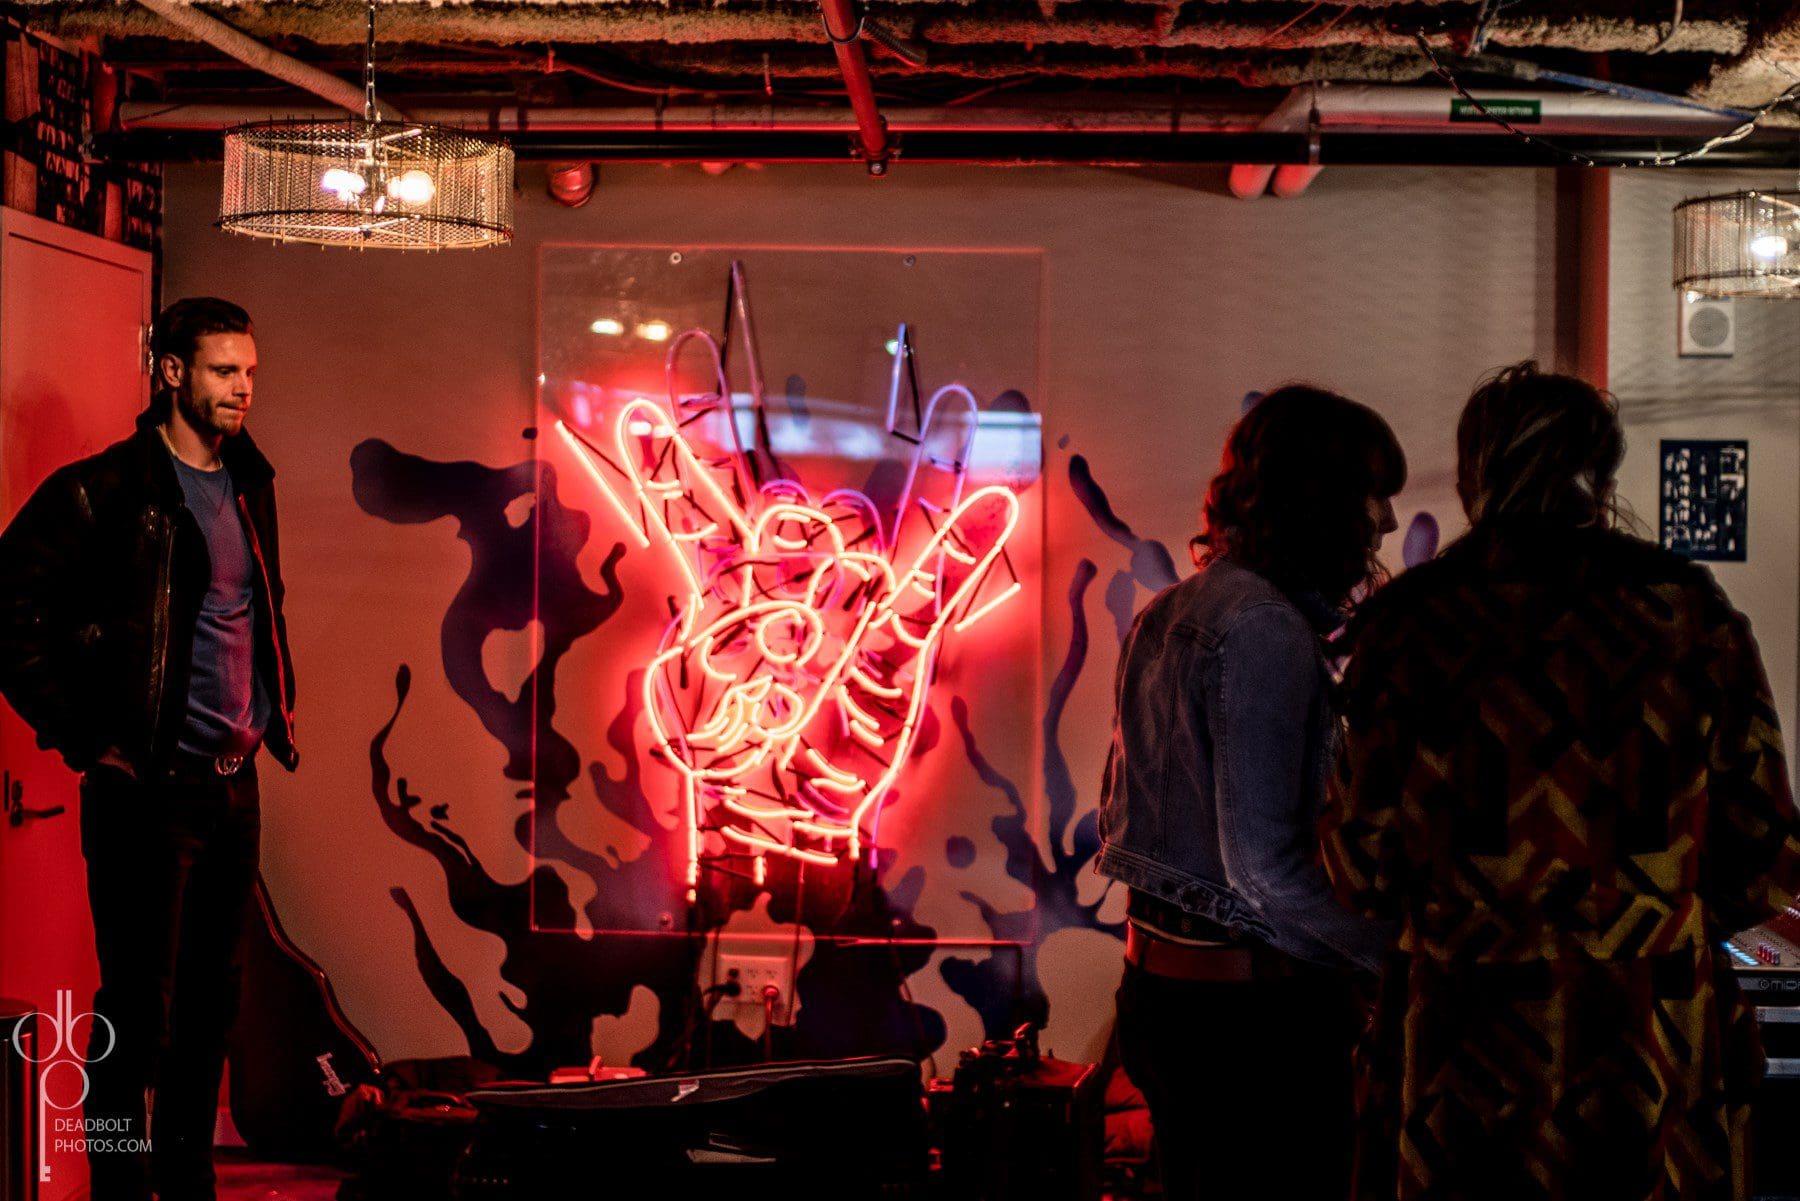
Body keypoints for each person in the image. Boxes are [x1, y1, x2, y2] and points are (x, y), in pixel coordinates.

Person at [1322, 361, 1800, 1201]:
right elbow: (1765, 858)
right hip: (1649, 1044)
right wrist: (1644, 918)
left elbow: (1361, 870)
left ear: (1474, 477)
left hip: (1461, 1050)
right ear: (1603, 478)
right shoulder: (1689, 617)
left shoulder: (1406, 627)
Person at [0, 297, 297, 1201]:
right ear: (171, 372)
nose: (242, 388)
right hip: (146, 789)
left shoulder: (250, 481)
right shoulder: (106, 490)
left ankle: (188, 1180)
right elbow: (8, 611)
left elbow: (250, 616)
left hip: (234, 785)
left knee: (213, 1008)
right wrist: (87, 736)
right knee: (136, 1015)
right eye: (222, 370)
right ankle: (119, 1189)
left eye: (249, 371)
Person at [1096, 385, 1405, 1200]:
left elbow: (1118, 816)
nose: (1384, 521)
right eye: (1373, 494)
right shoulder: (1266, 627)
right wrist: (1399, 954)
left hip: (1163, 997)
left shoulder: (1170, 610)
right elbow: (1267, 869)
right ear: (1321, 499)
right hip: (1251, 1021)